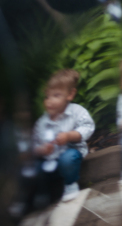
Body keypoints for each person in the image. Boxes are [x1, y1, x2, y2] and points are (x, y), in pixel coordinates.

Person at [33, 69, 95, 202]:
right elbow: (34, 143)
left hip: (70, 156)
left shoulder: (76, 111)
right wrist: (41, 149)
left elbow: (88, 127)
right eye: (47, 96)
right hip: (51, 161)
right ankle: (43, 193)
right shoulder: (42, 122)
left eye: (56, 95)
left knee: (68, 158)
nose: (50, 101)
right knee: (35, 167)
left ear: (70, 94)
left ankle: (70, 185)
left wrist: (69, 135)